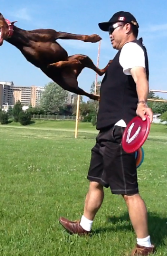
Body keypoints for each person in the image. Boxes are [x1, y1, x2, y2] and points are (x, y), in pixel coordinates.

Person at [59, 11, 155, 256]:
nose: (109, 34)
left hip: (119, 131)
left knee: (128, 192)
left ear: (127, 27)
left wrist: (142, 102)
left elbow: (140, 76)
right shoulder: (121, 55)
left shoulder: (132, 49)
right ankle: (84, 226)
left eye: (112, 28)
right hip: (107, 131)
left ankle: (145, 245)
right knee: (96, 182)